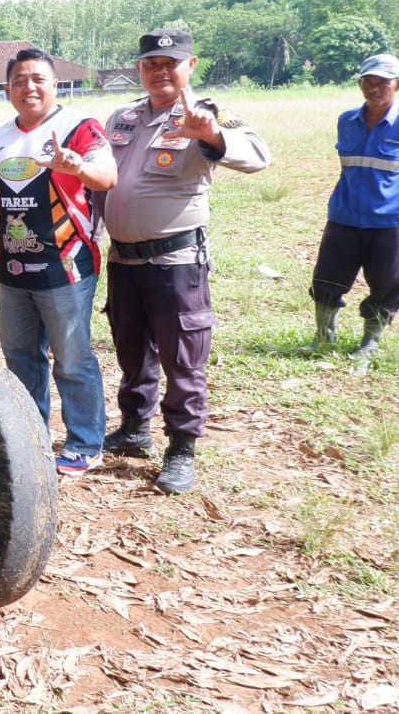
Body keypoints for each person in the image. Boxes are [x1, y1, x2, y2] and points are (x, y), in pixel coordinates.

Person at [99, 28, 271, 495]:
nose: (160, 71)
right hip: (123, 260)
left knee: (182, 358)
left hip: (174, 261)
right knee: (131, 350)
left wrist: (211, 134)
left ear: (190, 66)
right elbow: (102, 181)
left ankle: (181, 447)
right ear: (140, 69)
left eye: (170, 63)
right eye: (151, 63)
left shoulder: (205, 114)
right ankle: (135, 429)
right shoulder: (123, 116)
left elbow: (258, 156)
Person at [0, 48, 118, 475]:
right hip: (13, 269)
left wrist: (76, 167)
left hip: (66, 266)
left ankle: (85, 444)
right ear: (6, 88)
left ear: (54, 84)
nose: (28, 87)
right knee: (20, 356)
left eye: (38, 79)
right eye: (19, 80)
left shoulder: (79, 128)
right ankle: (31, 437)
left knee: (73, 358)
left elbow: (109, 177)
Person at [306, 53, 399, 362]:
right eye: (367, 82)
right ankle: (324, 336)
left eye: (382, 83)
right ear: (360, 83)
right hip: (343, 215)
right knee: (327, 279)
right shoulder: (346, 120)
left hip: (389, 220)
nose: (374, 89)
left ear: (398, 85)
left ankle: (369, 344)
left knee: (387, 284)